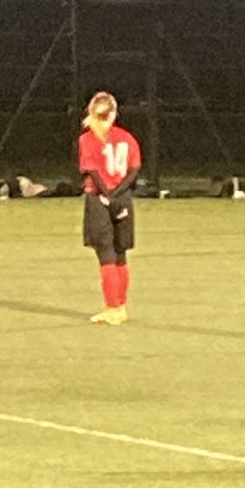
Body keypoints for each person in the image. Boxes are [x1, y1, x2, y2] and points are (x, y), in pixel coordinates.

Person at [78, 91, 141, 325]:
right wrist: (119, 194)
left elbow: (92, 172)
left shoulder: (88, 139)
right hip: (123, 198)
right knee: (121, 253)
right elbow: (135, 168)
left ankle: (112, 306)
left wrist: (108, 196)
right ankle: (120, 306)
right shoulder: (127, 137)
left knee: (106, 254)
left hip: (100, 199)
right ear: (114, 113)